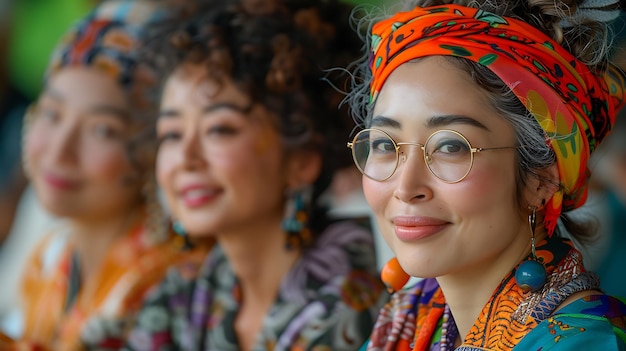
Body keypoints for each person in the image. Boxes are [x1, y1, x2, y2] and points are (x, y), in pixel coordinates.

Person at [344, 0, 626, 349]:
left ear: (541, 178)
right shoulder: (409, 319)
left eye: (450, 146)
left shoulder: (582, 343)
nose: (405, 187)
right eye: (386, 144)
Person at [120, 0, 386, 350]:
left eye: (220, 130)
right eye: (171, 134)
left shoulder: (356, 298)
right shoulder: (185, 296)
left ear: (302, 160)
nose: (186, 158)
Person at [0, 1, 207, 349]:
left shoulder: (174, 285)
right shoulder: (51, 257)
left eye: (102, 130)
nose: (59, 150)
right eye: (52, 114)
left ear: (151, 148)